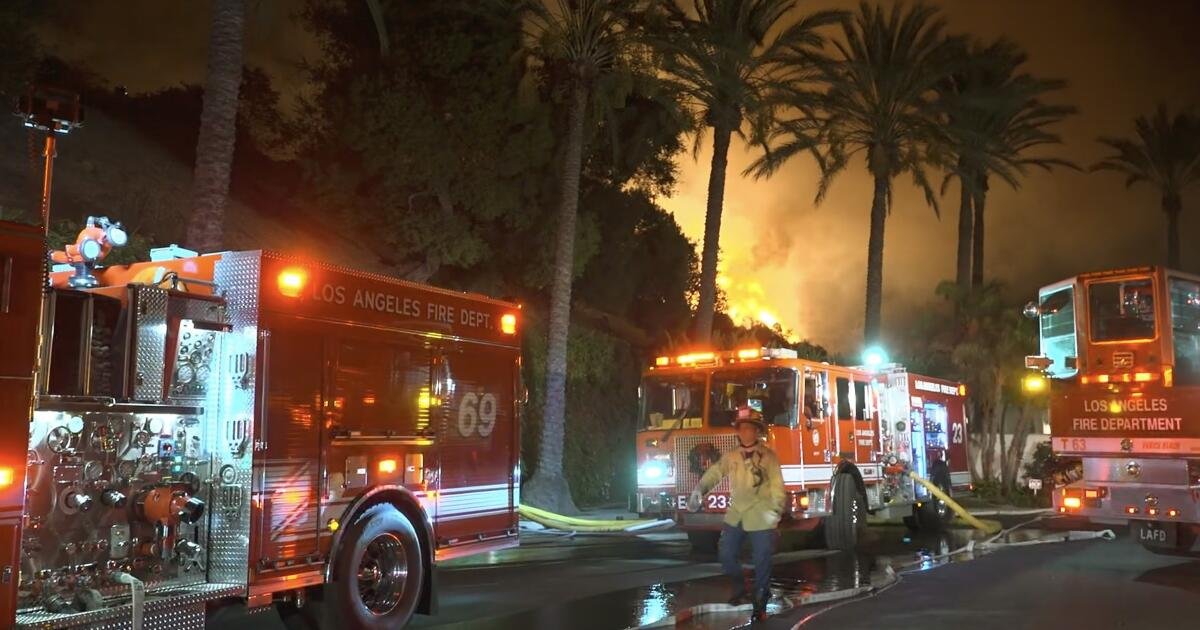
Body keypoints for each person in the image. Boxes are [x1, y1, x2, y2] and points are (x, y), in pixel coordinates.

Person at [688, 406, 786, 620]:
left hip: (761, 517)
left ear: (756, 431)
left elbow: (778, 487)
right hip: (737, 515)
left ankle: (760, 601)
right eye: (742, 428)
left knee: (762, 560)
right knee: (726, 555)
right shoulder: (732, 456)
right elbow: (715, 473)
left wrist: (775, 513)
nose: (745, 432)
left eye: (749, 428)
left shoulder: (769, 457)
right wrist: (699, 490)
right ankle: (741, 588)